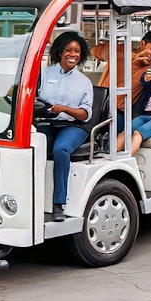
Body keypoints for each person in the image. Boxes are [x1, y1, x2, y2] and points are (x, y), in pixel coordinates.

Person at [37, 31, 93, 222]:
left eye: (77, 51)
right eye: (68, 50)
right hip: (47, 122)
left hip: (74, 126)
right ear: (60, 52)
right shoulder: (45, 73)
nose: (73, 54)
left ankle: (58, 204)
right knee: (29, 144)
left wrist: (64, 109)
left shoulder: (84, 82)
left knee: (60, 150)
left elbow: (85, 114)